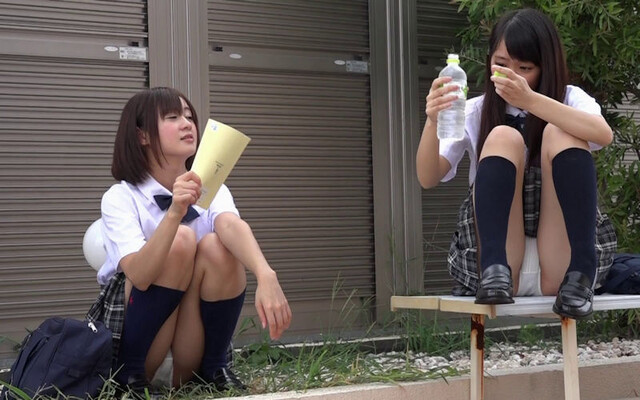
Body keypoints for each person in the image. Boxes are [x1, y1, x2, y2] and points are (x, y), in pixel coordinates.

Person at [87, 87, 292, 396]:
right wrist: (175, 212)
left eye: (189, 116)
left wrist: (266, 275)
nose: (187, 124)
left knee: (218, 246)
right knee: (180, 239)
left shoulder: (212, 187)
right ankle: (128, 379)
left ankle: (214, 369)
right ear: (142, 135)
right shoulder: (121, 197)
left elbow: (231, 225)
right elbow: (139, 275)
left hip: (189, 342)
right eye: (172, 117)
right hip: (138, 345)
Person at [416, 9, 617, 318]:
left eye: (524, 68)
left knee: (561, 131)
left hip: (561, 267)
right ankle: (494, 269)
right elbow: (428, 177)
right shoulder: (476, 110)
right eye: (501, 64)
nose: (510, 76)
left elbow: (603, 134)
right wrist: (432, 121)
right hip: (497, 262)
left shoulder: (570, 98)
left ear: (545, 66)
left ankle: (582, 271)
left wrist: (531, 101)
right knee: (502, 136)